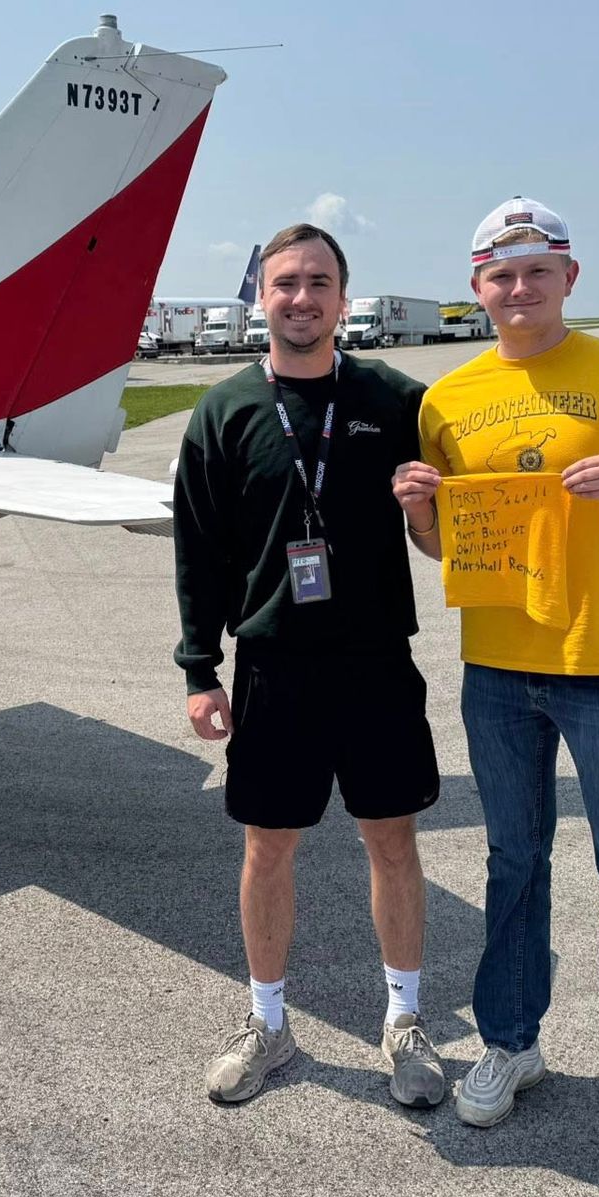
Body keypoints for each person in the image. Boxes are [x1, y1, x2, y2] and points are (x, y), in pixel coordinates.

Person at [393, 197, 599, 1169]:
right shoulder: (447, 399)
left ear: (570, 278)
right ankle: (510, 1044)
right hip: (498, 668)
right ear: (476, 288)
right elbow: (441, 544)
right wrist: (419, 510)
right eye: (501, 273)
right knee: (513, 865)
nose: (519, 287)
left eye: (538, 269)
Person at [174, 222, 444, 1108]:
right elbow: (200, 550)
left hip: (375, 659)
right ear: (262, 295)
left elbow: (443, 536)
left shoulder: (397, 399)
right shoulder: (224, 412)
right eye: (285, 282)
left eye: (319, 281)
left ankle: (404, 1023)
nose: (301, 297)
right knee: (267, 847)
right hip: (274, 665)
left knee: (393, 843)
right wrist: (198, 670)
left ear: (343, 295)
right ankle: (269, 1025)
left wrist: (428, 511)